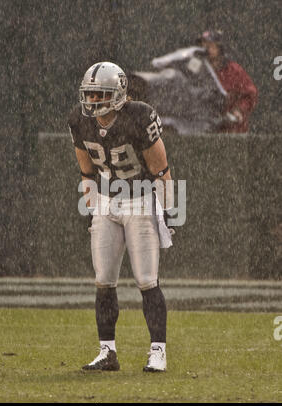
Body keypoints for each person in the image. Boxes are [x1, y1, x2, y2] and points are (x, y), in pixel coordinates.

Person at [68, 62, 174, 372]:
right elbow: (86, 171)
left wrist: (166, 211)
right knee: (104, 281)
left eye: (101, 94)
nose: (93, 101)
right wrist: (91, 208)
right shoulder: (79, 120)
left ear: (119, 92)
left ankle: (158, 351)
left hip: (140, 201)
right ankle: (107, 351)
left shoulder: (139, 116)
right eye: (90, 94)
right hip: (105, 201)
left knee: (146, 280)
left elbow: (161, 170)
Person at [196, 30, 258, 133]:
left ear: (220, 48)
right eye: (203, 45)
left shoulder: (234, 70)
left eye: (210, 45)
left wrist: (238, 110)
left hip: (231, 133)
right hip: (202, 131)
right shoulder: (196, 70)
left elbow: (251, 95)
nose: (206, 48)